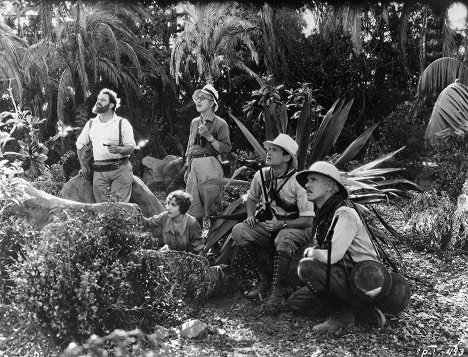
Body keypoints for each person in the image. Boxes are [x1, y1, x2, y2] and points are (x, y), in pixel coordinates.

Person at [287, 161, 386, 332]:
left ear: (330, 186)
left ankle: (344, 316)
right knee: (296, 302)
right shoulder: (324, 215)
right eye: (307, 181)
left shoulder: (345, 213)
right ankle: (355, 309)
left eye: (313, 180)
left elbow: (332, 256)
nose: (307, 185)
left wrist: (312, 252)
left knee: (306, 267)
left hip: (361, 280)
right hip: (340, 275)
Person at [231, 134, 315, 308]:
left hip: (297, 227)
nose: (268, 153)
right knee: (239, 231)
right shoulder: (261, 175)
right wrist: (250, 215)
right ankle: (264, 280)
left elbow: (307, 220)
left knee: (283, 236)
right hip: (272, 226)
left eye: (274, 150)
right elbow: (252, 198)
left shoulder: (298, 182)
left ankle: (277, 291)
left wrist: (282, 224)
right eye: (268, 149)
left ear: (286, 157)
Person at [76, 88, 136, 203]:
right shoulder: (91, 124)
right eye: (98, 99)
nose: (98, 102)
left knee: (117, 208)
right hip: (99, 174)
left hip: (120, 171)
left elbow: (131, 147)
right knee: (102, 209)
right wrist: (83, 165)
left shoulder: (122, 123)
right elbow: (79, 144)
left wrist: (119, 149)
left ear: (111, 105)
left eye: (103, 100)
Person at [185, 84, 231, 225]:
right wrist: (187, 167)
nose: (198, 101)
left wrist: (209, 137)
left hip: (210, 164)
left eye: (202, 98)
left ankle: (215, 242)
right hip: (194, 165)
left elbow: (225, 149)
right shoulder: (194, 122)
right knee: (192, 206)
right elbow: (190, 146)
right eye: (197, 98)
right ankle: (196, 242)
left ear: (212, 103)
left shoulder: (220, 124)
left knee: (213, 207)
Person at [140, 190, 204, 255]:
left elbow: (199, 249)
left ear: (182, 207)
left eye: (173, 205)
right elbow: (148, 223)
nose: (168, 208)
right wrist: (137, 212)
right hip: (170, 255)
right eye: (168, 203)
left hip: (188, 258)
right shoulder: (165, 216)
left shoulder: (192, 223)